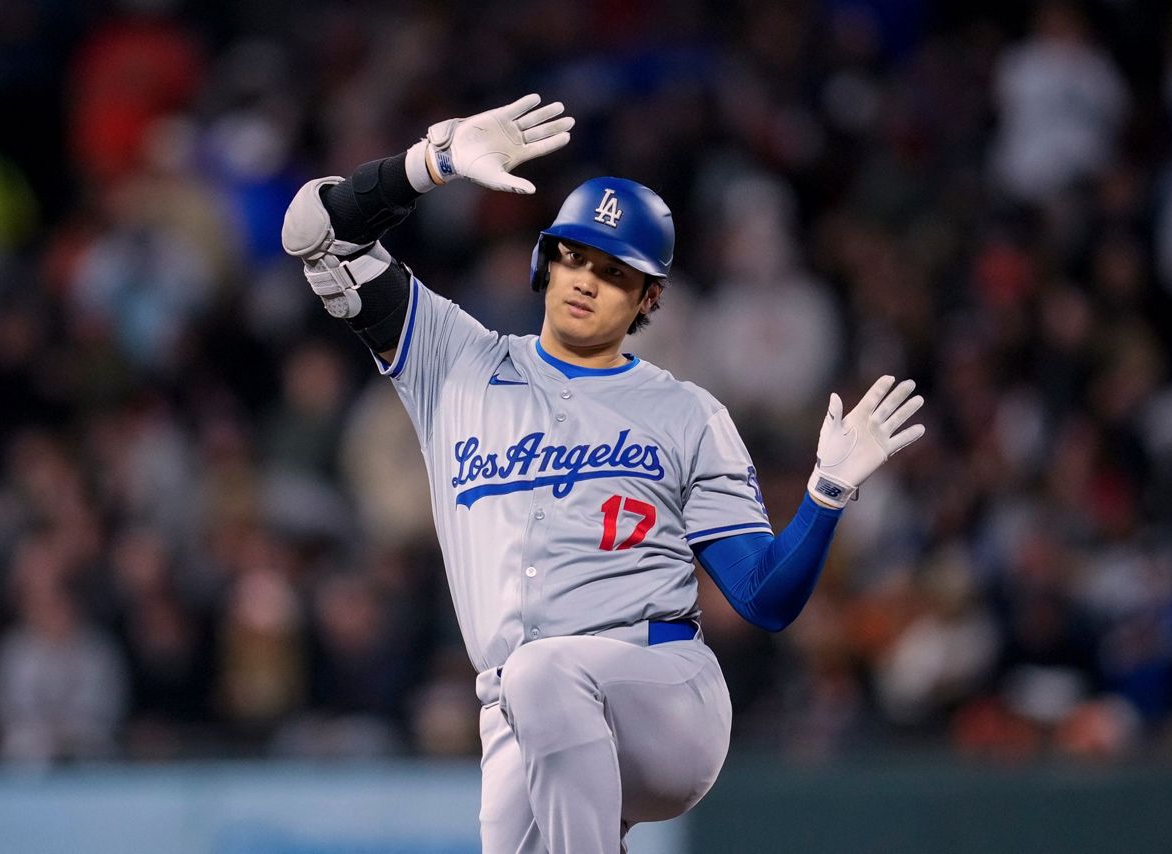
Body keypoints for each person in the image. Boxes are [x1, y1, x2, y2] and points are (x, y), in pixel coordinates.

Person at [281, 94, 925, 853]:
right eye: (574, 257)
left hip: (663, 696)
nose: (586, 280)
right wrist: (432, 163)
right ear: (543, 261)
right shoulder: (454, 365)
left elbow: (765, 599)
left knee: (544, 671)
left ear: (648, 297)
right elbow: (314, 233)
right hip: (519, 718)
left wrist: (825, 497)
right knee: (531, 686)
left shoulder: (687, 412)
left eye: (614, 272)